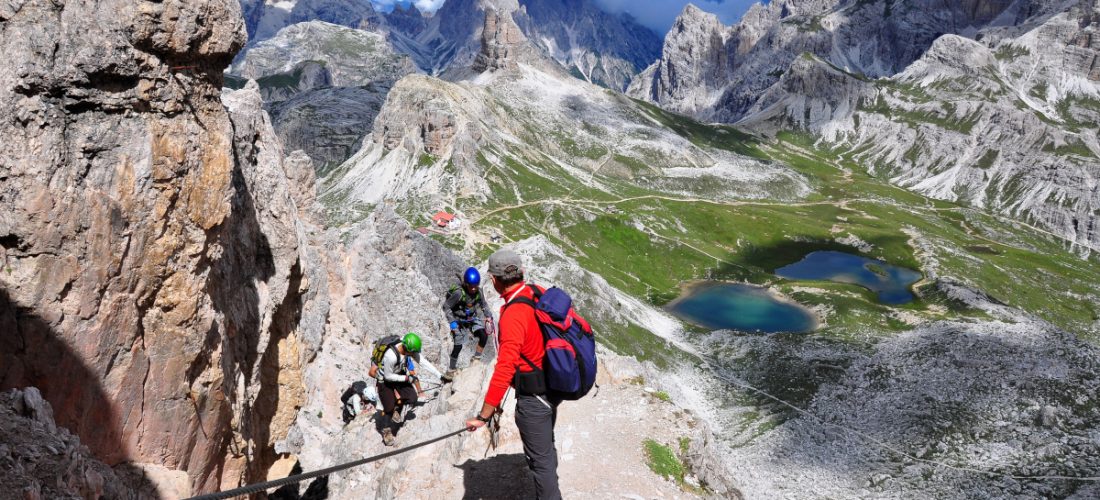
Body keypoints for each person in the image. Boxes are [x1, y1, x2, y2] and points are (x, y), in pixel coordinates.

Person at [465, 250, 561, 500]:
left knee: (541, 464)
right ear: (521, 273)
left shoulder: (513, 314)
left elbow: (505, 367)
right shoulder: (535, 291)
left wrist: (484, 415)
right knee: (545, 452)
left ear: (495, 280)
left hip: (534, 398)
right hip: (551, 386)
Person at [444, 266, 495, 375]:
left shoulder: (479, 292)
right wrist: (452, 322)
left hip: (471, 317)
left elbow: (484, 305)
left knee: (483, 335)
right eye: (471, 286)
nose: (473, 289)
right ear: (466, 284)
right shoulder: (458, 293)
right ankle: (451, 369)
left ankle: (476, 359)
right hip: (458, 320)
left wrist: (488, 316)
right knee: (458, 343)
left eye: (475, 286)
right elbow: (446, 306)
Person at [375, 332, 422, 446]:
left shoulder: (406, 349)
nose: (413, 354)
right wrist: (407, 378)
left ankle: (397, 408)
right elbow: (388, 376)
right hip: (385, 381)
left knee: (412, 398)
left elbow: (420, 361)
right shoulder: (390, 356)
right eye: (413, 352)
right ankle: (386, 431)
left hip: (398, 374)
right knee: (388, 408)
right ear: (407, 349)